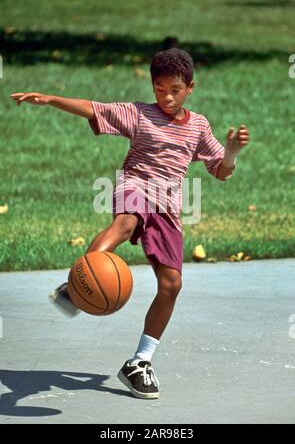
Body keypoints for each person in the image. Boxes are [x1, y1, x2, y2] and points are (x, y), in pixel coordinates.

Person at [10, 47, 249, 400]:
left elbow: (221, 172)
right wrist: (49, 99)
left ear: (191, 88)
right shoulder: (140, 114)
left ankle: (139, 362)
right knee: (125, 222)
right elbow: (94, 108)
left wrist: (230, 153)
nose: (166, 97)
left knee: (172, 284)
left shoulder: (198, 126)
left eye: (175, 90)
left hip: (168, 207)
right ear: (152, 87)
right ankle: (77, 284)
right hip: (135, 185)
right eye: (159, 89)